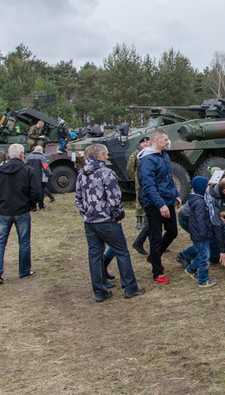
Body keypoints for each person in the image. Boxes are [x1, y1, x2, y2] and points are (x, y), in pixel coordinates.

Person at [75, 143, 145, 301]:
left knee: (94, 255)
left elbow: (78, 198)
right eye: (106, 154)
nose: (107, 157)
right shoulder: (106, 173)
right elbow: (114, 199)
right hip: (107, 221)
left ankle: (100, 291)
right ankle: (130, 287)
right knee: (121, 251)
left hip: (90, 222)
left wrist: (86, 214)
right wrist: (118, 216)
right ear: (100, 156)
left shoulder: (81, 174)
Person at [0, 143, 40, 284]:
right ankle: (24, 270)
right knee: (24, 242)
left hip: (4, 211)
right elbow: (35, 191)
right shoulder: (27, 170)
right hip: (21, 210)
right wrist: (31, 205)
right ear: (22, 155)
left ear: (9, 155)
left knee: (0, 242)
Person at [139, 128, 182, 284]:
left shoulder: (164, 155)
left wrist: (175, 194)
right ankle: (157, 272)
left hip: (167, 199)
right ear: (156, 140)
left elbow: (168, 178)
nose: (167, 142)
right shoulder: (148, 159)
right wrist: (161, 205)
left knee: (172, 232)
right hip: (154, 204)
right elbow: (148, 186)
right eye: (165, 139)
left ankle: (153, 256)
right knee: (156, 237)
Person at [175, 176, 216, 287]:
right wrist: (204, 234)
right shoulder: (200, 203)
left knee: (202, 255)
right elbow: (200, 221)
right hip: (201, 235)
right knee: (204, 257)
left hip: (200, 234)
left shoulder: (200, 200)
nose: (209, 187)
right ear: (202, 187)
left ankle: (191, 269)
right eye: (207, 185)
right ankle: (203, 280)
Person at [128, 136, 151, 256]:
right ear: (140, 143)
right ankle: (139, 219)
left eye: (148, 142)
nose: (146, 144)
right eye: (144, 142)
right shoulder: (136, 154)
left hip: (146, 182)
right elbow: (130, 168)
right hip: (140, 182)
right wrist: (135, 179)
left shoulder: (149, 153)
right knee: (140, 201)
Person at [207, 177, 225, 265]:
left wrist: (222, 211)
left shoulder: (223, 194)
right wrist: (222, 250)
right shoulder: (212, 198)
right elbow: (216, 226)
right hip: (189, 218)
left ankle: (214, 255)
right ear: (224, 191)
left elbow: (222, 205)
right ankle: (185, 256)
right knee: (210, 237)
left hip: (212, 217)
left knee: (223, 227)